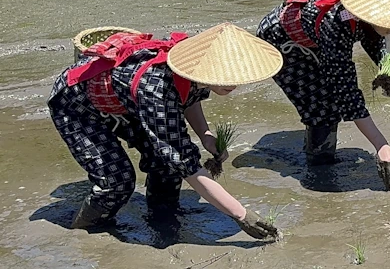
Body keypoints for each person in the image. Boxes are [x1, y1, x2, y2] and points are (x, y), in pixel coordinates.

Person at [49, 23, 282, 239]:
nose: (232, 83)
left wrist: (205, 135)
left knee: (165, 165)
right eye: (223, 75)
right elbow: (185, 163)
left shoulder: (194, 71)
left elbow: (189, 97)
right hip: (75, 105)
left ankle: (162, 221)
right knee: (117, 182)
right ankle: (83, 233)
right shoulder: (157, 90)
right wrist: (241, 215)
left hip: (124, 102)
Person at [257, 0, 390, 190]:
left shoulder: (364, 18)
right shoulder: (336, 23)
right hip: (281, 43)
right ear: (372, 16)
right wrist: (381, 145)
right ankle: (319, 169)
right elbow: (347, 91)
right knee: (321, 107)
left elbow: (374, 39)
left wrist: (386, 69)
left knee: (328, 103)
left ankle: (321, 153)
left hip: (315, 43)